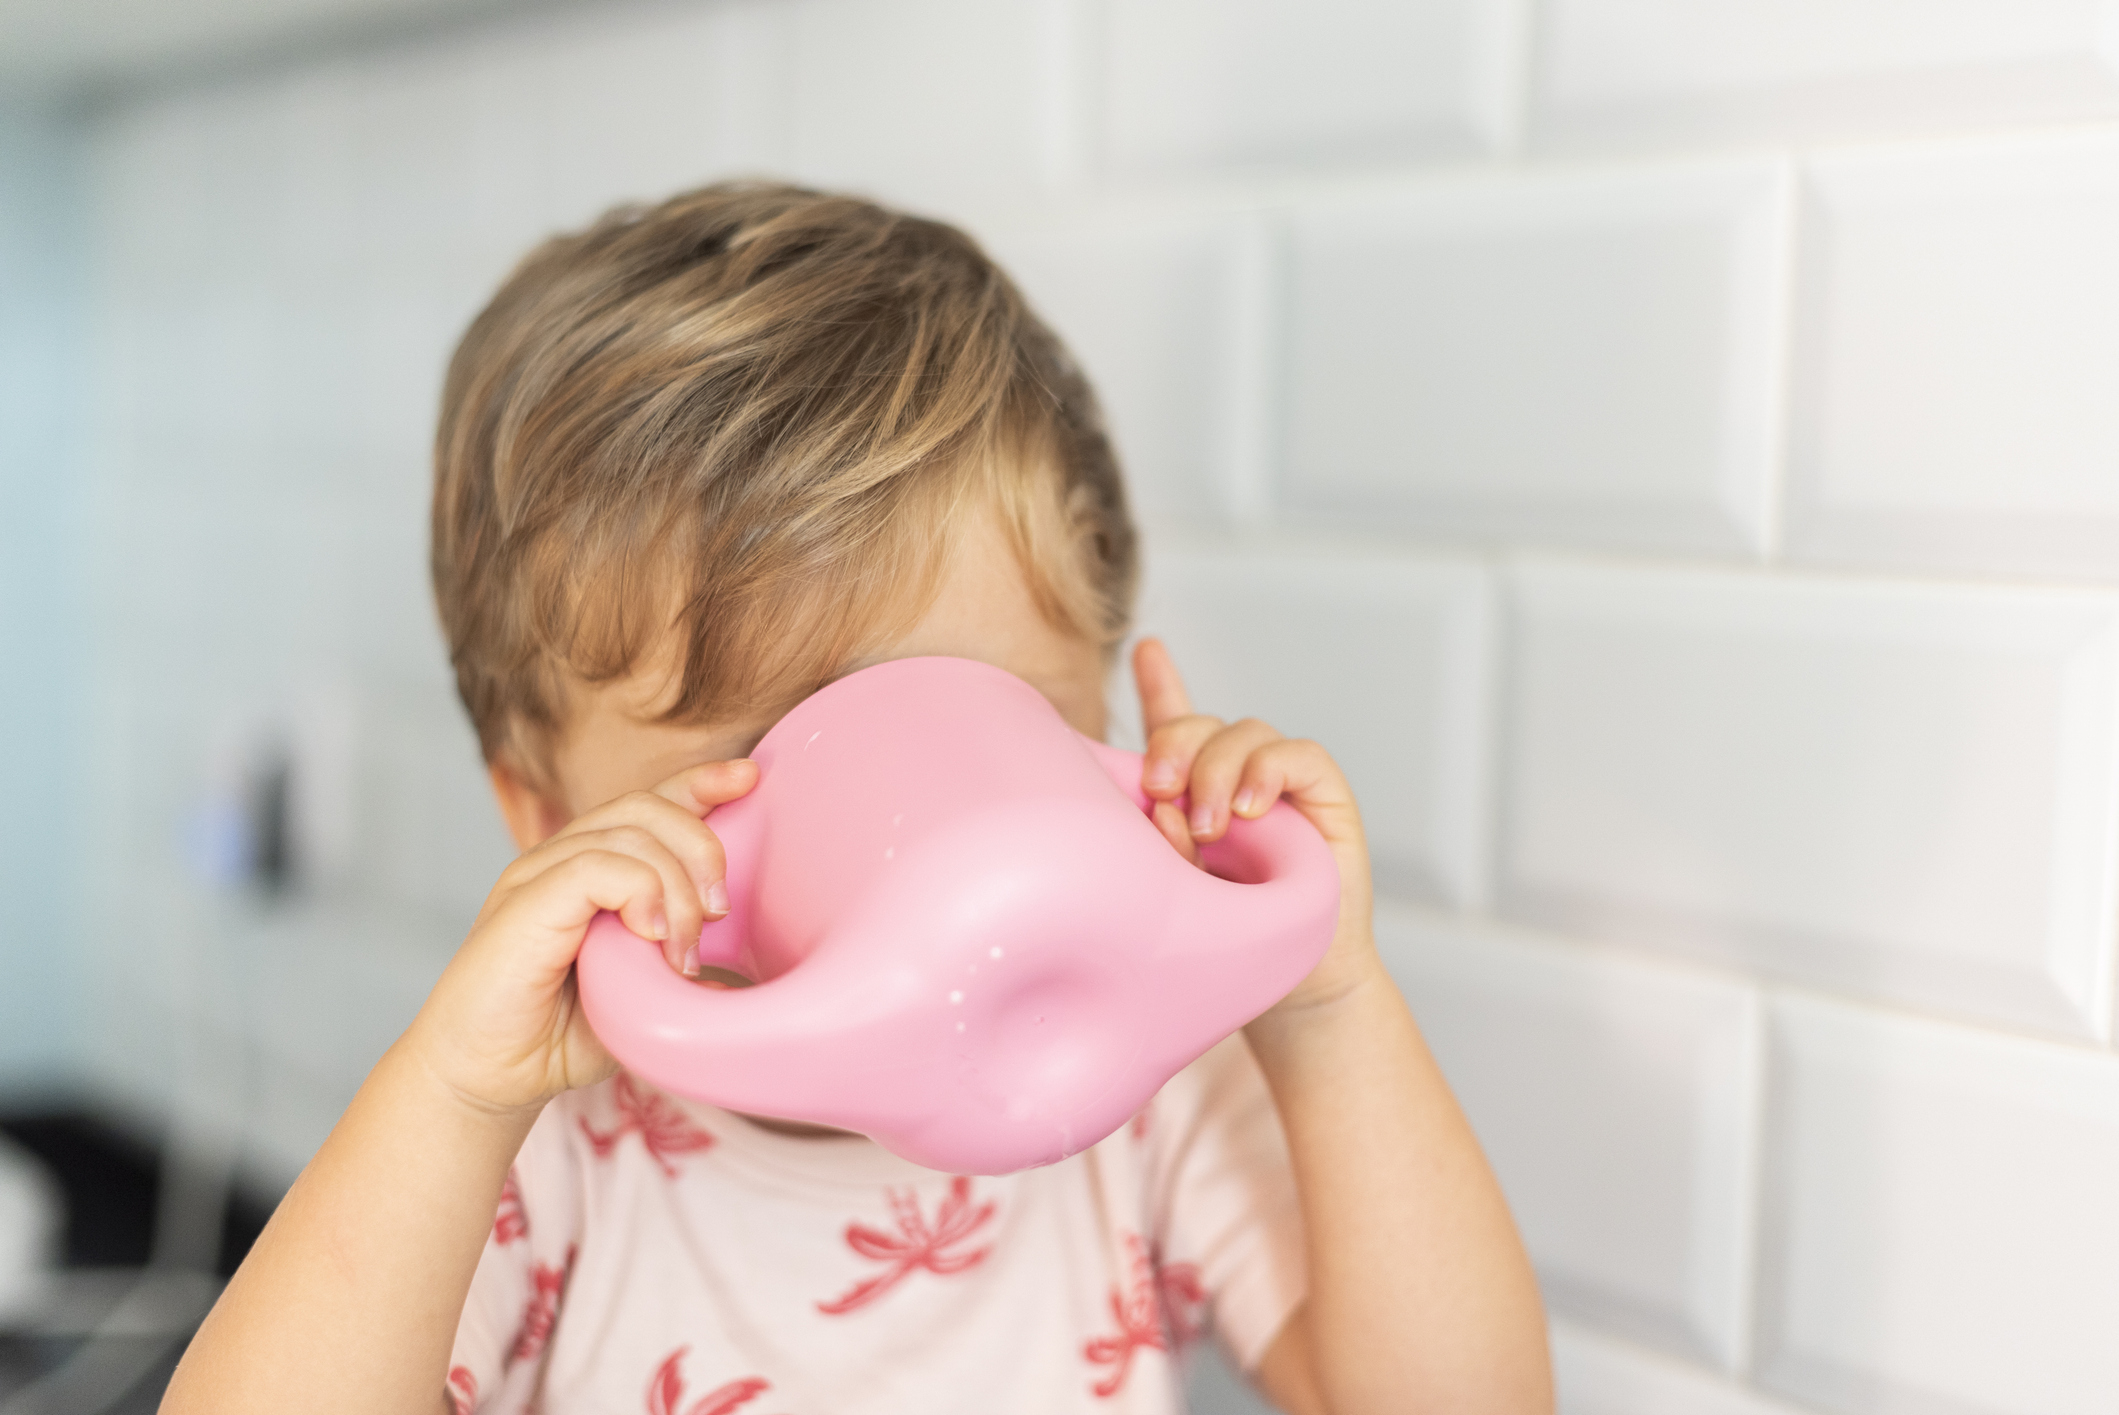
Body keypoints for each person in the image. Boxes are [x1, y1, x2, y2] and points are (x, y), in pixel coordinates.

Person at [161, 182, 1550, 1415]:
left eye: (991, 717)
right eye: (773, 747)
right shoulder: (546, 1158)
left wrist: (1323, 998)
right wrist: (452, 1100)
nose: (939, 858)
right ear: (548, 823)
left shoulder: (1147, 1094)